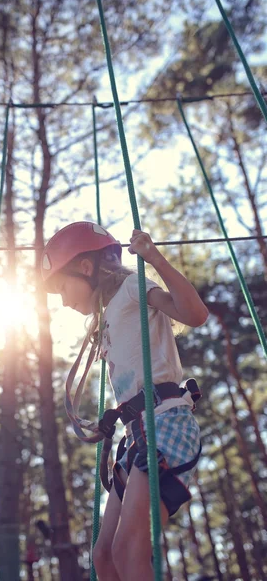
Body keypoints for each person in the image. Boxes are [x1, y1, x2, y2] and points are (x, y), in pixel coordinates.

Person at [41, 221, 208, 581]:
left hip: (165, 423)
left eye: (63, 288)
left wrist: (155, 259)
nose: (64, 300)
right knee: (104, 556)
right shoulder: (104, 318)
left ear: (86, 268)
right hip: (137, 435)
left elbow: (195, 315)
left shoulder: (132, 288)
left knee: (128, 550)